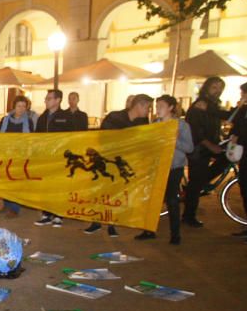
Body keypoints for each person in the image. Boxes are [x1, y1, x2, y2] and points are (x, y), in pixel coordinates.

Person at [82, 94, 152, 237]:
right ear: (140, 106)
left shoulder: (143, 122)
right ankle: (96, 222)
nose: (149, 111)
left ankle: (112, 224)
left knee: (118, 194)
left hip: (124, 165)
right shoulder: (115, 117)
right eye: (148, 107)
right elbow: (104, 138)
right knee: (101, 193)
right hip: (106, 163)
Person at [129, 95, 195, 245]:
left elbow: (189, 147)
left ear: (171, 108)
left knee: (172, 200)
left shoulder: (182, 125)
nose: (157, 109)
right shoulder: (156, 123)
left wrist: (173, 139)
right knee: (152, 200)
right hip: (156, 167)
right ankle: (149, 230)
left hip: (173, 167)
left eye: (161, 106)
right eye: (156, 106)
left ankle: (175, 234)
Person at [183, 76, 232, 228]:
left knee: (226, 159)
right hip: (199, 148)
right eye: (214, 87)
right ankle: (188, 216)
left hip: (210, 145)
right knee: (196, 182)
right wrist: (209, 145)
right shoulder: (200, 104)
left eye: (220, 88)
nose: (217, 91)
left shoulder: (212, 105)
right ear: (206, 88)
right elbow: (195, 130)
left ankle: (197, 185)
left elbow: (223, 118)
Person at [34, 89, 73, 228]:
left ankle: (58, 214)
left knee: (59, 186)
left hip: (60, 158)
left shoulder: (66, 116)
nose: (46, 100)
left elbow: (72, 137)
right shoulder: (42, 117)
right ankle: (46, 213)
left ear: (58, 100)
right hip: (45, 158)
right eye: (46, 98)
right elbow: (36, 136)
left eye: (49, 98)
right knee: (45, 187)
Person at [0, 96, 34, 218]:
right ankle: (6, 204)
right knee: (5, 181)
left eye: (24, 106)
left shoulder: (29, 121)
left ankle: (15, 208)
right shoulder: (5, 120)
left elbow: (31, 139)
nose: (21, 109)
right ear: (14, 107)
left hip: (20, 156)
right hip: (6, 154)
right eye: (19, 106)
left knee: (16, 182)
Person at [227, 81, 247, 241]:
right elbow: (232, 123)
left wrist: (239, 136)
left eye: (244, 93)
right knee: (244, 190)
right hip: (244, 156)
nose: (242, 96)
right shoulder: (243, 110)